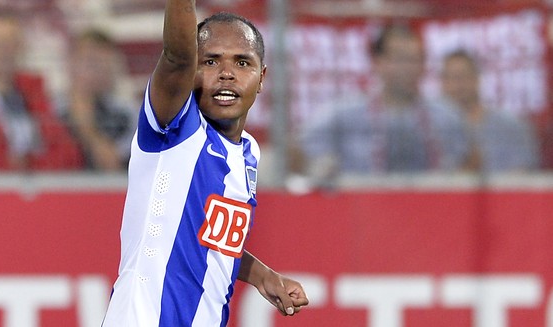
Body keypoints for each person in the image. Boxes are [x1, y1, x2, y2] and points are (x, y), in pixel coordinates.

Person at [101, 1, 309, 326]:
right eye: (210, 61)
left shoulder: (248, 154)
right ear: (192, 70)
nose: (227, 74)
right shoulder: (173, 126)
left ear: (262, 77)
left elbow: (209, 242)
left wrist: (262, 276)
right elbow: (176, 57)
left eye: (242, 62)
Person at [297, 23, 468, 187]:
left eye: (416, 60)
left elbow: (470, 163)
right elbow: (297, 151)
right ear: (378, 63)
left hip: (432, 209)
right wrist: (321, 170)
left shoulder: (447, 116)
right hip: (362, 210)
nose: (410, 68)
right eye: (401, 60)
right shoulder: (342, 115)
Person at [0, 10, 83, 170]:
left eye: (10, 43)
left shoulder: (34, 90)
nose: (3, 51)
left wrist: (30, 165)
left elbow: (67, 153)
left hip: (34, 189)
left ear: (20, 46)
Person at [440, 49, 540, 173]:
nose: (457, 85)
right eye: (450, 78)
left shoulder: (510, 126)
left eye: (463, 76)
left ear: (477, 78)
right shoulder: (432, 132)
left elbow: (524, 174)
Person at [59, 28, 137, 171]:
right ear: (70, 63)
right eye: (90, 62)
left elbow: (111, 165)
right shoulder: (48, 109)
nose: (96, 71)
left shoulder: (126, 114)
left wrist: (85, 124)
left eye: (104, 63)